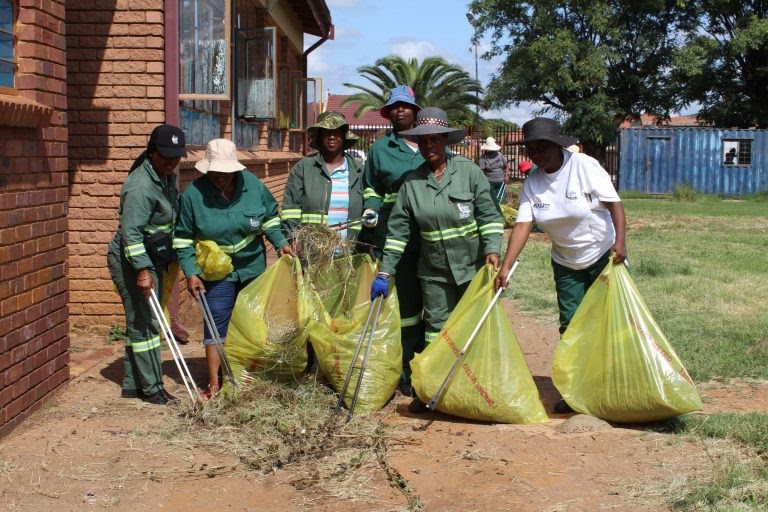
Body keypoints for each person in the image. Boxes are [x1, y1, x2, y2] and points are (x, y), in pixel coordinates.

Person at [371, 107, 505, 413]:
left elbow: (489, 216)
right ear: (417, 143)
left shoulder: (469, 172)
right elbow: (397, 233)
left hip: (472, 268)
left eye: (435, 139)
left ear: (445, 140)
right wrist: (385, 272)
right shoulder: (411, 183)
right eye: (423, 141)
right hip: (433, 271)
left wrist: (492, 249)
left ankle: (475, 387)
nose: (429, 146)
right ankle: (433, 389)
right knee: (435, 330)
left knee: (473, 327)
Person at [494, 117, 627, 414]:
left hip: (602, 255)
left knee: (608, 322)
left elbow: (614, 204)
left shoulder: (584, 166)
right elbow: (522, 225)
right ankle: (577, 390)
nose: (537, 155)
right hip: (565, 261)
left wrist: (620, 243)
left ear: (558, 146)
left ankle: (612, 386)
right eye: (531, 149)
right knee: (571, 325)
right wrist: (506, 266)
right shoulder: (533, 181)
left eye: (543, 147)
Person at [173, 139, 296, 397]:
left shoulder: (253, 187)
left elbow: (271, 218)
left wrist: (280, 243)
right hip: (215, 272)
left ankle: (249, 373)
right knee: (216, 321)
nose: (220, 178)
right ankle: (215, 382)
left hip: (251, 266)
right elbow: (183, 238)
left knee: (252, 320)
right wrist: (191, 271)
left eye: (225, 173)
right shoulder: (193, 195)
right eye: (215, 173)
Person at [107, 124, 187, 405]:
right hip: (132, 258)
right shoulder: (140, 186)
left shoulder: (165, 176)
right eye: (166, 156)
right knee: (146, 324)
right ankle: (152, 388)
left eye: (177, 157)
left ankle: (133, 384)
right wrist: (142, 270)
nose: (172, 162)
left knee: (143, 321)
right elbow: (131, 233)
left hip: (151, 256)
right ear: (152, 152)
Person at [362, 85, 426, 397]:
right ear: (388, 114)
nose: (400, 111)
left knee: (436, 306)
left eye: (405, 106)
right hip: (392, 234)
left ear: (415, 110)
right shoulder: (380, 148)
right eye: (394, 107)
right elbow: (371, 186)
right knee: (406, 308)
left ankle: (431, 368)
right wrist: (371, 209)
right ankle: (404, 370)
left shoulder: (431, 142)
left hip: (429, 236)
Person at [281, 111, 369, 246]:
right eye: (326, 132)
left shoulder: (359, 171)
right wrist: (293, 238)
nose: (332, 136)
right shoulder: (303, 168)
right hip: (312, 253)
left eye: (337, 131)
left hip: (350, 253)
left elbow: (369, 208)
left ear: (344, 136)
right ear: (319, 136)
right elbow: (290, 209)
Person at [479, 136, 509, 207]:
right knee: (491, 199)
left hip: (501, 181)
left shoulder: (500, 155)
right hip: (489, 182)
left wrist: (506, 176)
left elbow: (506, 166)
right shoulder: (483, 158)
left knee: (501, 199)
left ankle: (501, 213)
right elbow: (481, 171)